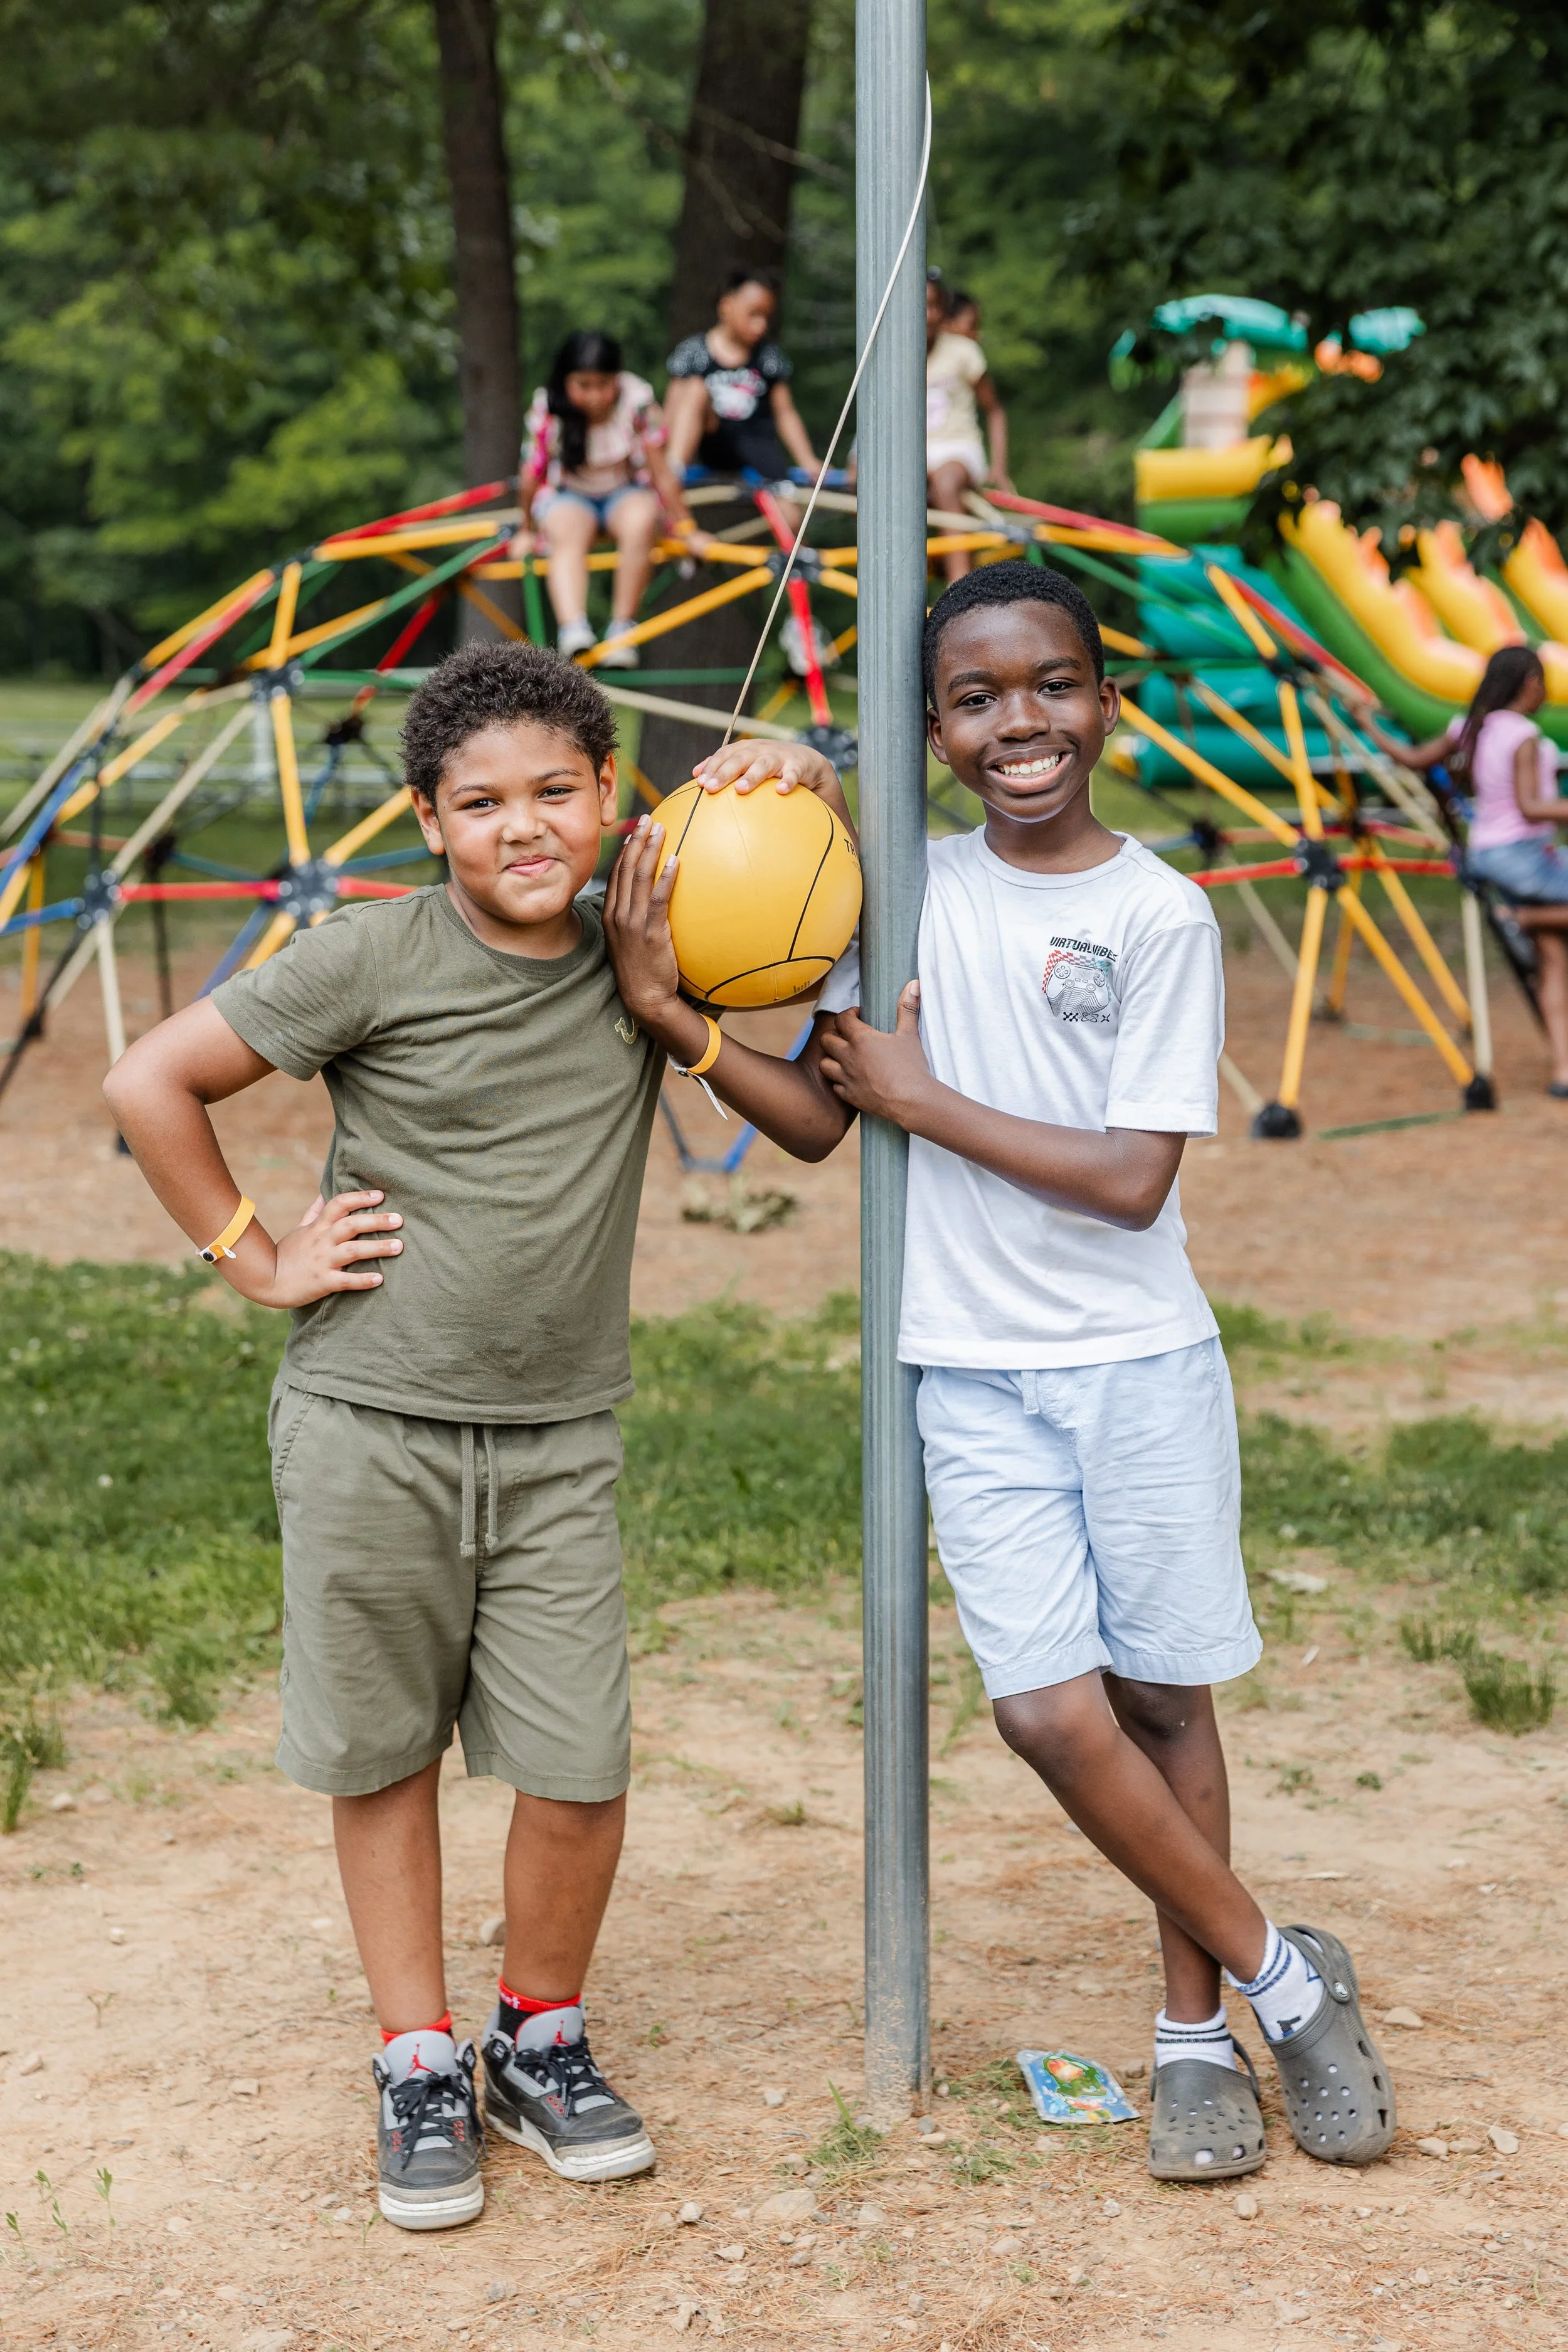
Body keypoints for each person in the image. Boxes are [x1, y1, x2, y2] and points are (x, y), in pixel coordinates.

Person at [603, 560, 1396, 2184]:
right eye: (974, 698)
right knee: (1045, 1708)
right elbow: (826, 1118)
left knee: (1165, 1690)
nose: (1018, 721)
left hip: (1135, 1357)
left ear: (1108, 700)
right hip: (965, 1364)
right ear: (933, 730)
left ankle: (1192, 2040)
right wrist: (673, 1016)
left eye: (1050, 684)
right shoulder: (895, 887)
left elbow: (1129, 1177)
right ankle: (1284, 1972)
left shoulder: (1155, 913)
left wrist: (920, 1094)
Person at [105, 644, 668, 2231]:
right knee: (383, 1748)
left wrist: (803, 769)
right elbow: (150, 1078)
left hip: (560, 1436)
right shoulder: (367, 958)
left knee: (578, 1761)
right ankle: (418, 2055)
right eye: (481, 803)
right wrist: (259, 1255)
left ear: (610, 796)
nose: (524, 827)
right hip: (367, 1420)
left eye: (558, 790)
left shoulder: (648, 920)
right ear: (429, 820)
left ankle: (536, 2032)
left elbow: (799, 814)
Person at [1367, 645, 1568, 1094]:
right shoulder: (1523, 734)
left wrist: (1366, 725)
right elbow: (1532, 806)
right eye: (1544, 683)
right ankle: (1519, 918)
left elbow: (1413, 759)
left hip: (1490, 855)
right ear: (1531, 683)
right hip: (1525, 857)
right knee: (1545, 932)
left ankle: (1562, 1071)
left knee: (1553, 958)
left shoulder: (1470, 728)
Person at [518, 329, 703, 667]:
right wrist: (526, 530)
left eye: (604, 385)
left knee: (643, 517)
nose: (594, 397)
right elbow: (532, 471)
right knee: (565, 531)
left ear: (617, 380)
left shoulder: (637, 400)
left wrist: (686, 527)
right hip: (571, 497)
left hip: (624, 494)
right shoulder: (549, 406)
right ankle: (574, 632)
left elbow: (662, 472)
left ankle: (622, 630)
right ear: (566, 380)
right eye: (583, 386)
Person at [662, 267, 821, 488]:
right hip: (714, 443)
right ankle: (672, 472)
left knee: (789, 511)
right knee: (696, 389)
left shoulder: (769, 357)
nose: (761, 325)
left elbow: (785, 413)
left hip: (758, 444)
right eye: (753, 314)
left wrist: (807, 461)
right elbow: (672, 412)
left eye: (766, 316)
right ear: (726, 305)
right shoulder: (693, 352)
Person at [926, 272, 1012, 583]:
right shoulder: (891, 355)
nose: (926, 315)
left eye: (933, 306)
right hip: (915, 454)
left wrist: (999, 468)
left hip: (957, 448)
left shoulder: (963, 352)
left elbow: (995, 410)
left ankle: (958, 583)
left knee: (946, 481)